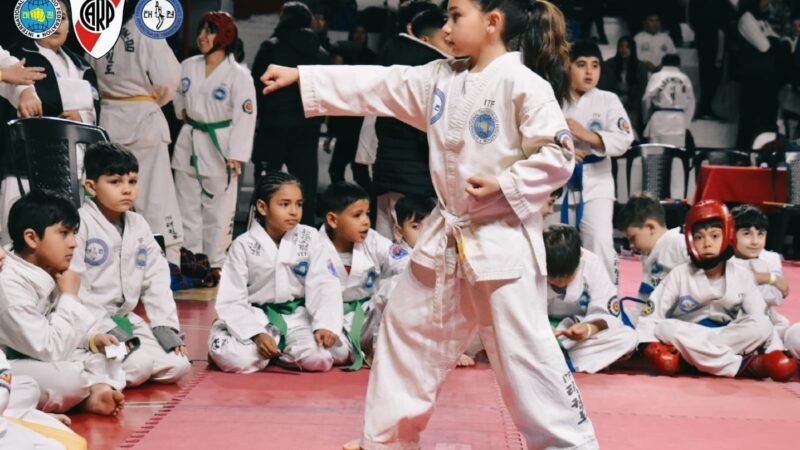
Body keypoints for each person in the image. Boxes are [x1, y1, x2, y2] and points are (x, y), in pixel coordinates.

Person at [260, 0, 599, 448]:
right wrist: (306, 76)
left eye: (456, 15)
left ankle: (569, 444)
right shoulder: (441, 78)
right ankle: (388, 439)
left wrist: (506, 182)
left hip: (502, 241)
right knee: (404, 329)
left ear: (493, 22)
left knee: (526, 355)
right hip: (447, 236)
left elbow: (558, 156)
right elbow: (381, 84)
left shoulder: (523, 84)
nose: (447, 25)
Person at [68, 143, 190, 388]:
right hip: (91, 323)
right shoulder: (79, 224)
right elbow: (76, 290)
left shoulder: (138, 224)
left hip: (126, 319)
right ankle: (87, 366)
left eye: (132, 182)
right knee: (139, 366)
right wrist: (105, 327)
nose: (126, 190)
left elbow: (156, 279)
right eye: (115, 182)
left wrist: (164, 326)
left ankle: (113, 370)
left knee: (178, 366)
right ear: (91, 187)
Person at [637, 200, 795, 381]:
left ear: (727, 236)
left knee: (763, 325)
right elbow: (651, 315)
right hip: (691, 332)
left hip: (724, 336)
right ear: (690, 240)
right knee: (666, 327)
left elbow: (759, 317)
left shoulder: (742, 275)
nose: (707, 243)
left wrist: (775, 351)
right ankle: (744, 366)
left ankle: (689, 363)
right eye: (699, 237)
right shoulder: (679, 274)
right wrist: (648, 347)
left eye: (714, 236)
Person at [0, 190, 125, 416]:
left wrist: (91, 339)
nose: (74, 244)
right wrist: (68, 296)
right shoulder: (8, 285)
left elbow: (52, 324)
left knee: (113, 354)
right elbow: (49, 348)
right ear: (31, 238)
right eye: (64, 233)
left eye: (74, 234)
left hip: (36, 353)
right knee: (68, 379)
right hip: (13, 362)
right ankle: (85, 395)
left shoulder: (46, 268)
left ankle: (92, 391)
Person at [208, 171, 342, 373]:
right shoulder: (243, 245)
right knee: (235, 359)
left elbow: (324, 284)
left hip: (295, 316)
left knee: (320, 359)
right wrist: (255, 334)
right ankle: (223, 333)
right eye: (284, 204)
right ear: (262, 207)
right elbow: (232, 298)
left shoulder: (310, 237)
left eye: (298, 204)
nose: (294, 211)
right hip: (255, 315)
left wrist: (325, 324)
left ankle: (275, 354)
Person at [88, 2, 185, 265]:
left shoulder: (98, 30)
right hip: (142, 118)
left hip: (107, 119)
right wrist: (151, 100)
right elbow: (167, 79)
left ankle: (111, 257)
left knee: (110, 194)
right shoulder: (147, 32)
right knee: (155, 193)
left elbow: (89, 73)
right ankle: (167, 260)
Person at [0, 0, 100, 244]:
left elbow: (95, 105)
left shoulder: (82, 64)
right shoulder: (21, 54)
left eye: (62, 18)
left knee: (70, 236)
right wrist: (23, 91)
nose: (56, 25)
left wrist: (83, 116)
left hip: (74, 161)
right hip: (26, 162)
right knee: (19, 238)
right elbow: (17, 82)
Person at [172, 11, 256, 282]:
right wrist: (183, 111)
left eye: (209, 31)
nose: (202, 36)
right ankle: (193, 256)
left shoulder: (239, 75)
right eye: (201, 30)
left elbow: (246, 115)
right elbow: (177, 98)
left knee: (219, 208)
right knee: (186, 203)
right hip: (190, 139)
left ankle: (217, 262)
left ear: (225, 37)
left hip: (221, 144)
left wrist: (237, 154)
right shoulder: (187, 65)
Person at [554, 40, 634, 283]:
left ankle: (605, 301)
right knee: (552, 242)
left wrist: (583, 134)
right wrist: (561, 149)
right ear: (567, 66)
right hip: (557, 184)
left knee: (599, 241)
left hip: (596, 182)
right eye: (581, 65)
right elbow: (532, 134)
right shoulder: (553, 97)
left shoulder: (608, 100)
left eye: (595, 65)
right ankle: (551, 302)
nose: (589, 72)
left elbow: (623, 140)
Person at [370, 0, 451, 239]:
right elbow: (429, 134)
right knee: (413, 254)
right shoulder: (430, 71)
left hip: (388, 172)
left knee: (385, 250)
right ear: (426, 40)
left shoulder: (390, 60)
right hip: (416, 180)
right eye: (445, 40)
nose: (451, 45)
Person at [314, 182, 410, 370]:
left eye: (367, 213)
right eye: (357, 215)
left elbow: (405, 263)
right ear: (333, 220)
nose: (366, 221)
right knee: (324, 355)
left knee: (398, 283)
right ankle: (356, 351)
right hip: (334, 322)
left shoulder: (372, 239)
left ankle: (381, 350)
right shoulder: (315, 246)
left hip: (370, 318)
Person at [251, 2, 330, 226]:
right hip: (307, 128)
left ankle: (262, 232)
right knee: (305, 185)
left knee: (267, 184)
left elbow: (257, 87)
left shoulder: (271, 47)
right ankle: (305, 238)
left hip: (273, 127)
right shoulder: (321, 53)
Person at [544, 225, 637, 373]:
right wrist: (541, 328)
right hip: (543, 333)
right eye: (553, 279)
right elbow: (522, 311)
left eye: (566, 277)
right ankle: (555, 358)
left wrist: (588, 329)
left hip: (577, 335)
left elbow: (608, 315)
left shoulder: (591, 263)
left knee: (628, 338)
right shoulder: (534, 264)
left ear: (579, 257)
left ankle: (561, 362)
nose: (560, 283)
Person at [730, 205, 791, 352]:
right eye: (746, 234)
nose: (755, 241)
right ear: (730, 235)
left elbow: (777, 296)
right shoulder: (726, 263)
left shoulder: (764, 263)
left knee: (784, 324)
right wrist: (770, 279)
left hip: (767, 317)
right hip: (737, 322)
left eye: (760, 234)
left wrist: (767, 283)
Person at [614, 192, 688, 305]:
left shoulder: (679, 243)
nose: (631, 245)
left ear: (650, 227)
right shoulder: (647, 257)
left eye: (633, 238)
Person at [736, 0, 784, 148]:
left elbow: (777, 42)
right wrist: (774, 41)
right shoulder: (747, 19)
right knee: (750, 121)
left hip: (768, 80)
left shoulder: (762, 20)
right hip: (753, 81)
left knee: (768, 121)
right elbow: (765, 46)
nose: (767, 3)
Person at [641, 53, 695, 147]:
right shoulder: (684, 78)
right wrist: (686, 123)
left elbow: (646, 99)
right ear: (678, 64)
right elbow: (691, 102)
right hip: (678, 121)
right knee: (676, 154)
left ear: (662, 63)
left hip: (659, 119)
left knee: (656, 155)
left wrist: (646, 119)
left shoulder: (656, 76)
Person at [599, 36, 649, 134]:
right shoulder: (609, 64)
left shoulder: (640, 67)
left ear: (632, 49)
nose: (624, 50)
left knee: (631, 127)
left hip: (632, 104)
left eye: (627, 47)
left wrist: (628, 99)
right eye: (621, 46)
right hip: (613, 101)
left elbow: (640, 90)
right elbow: (605, 87)